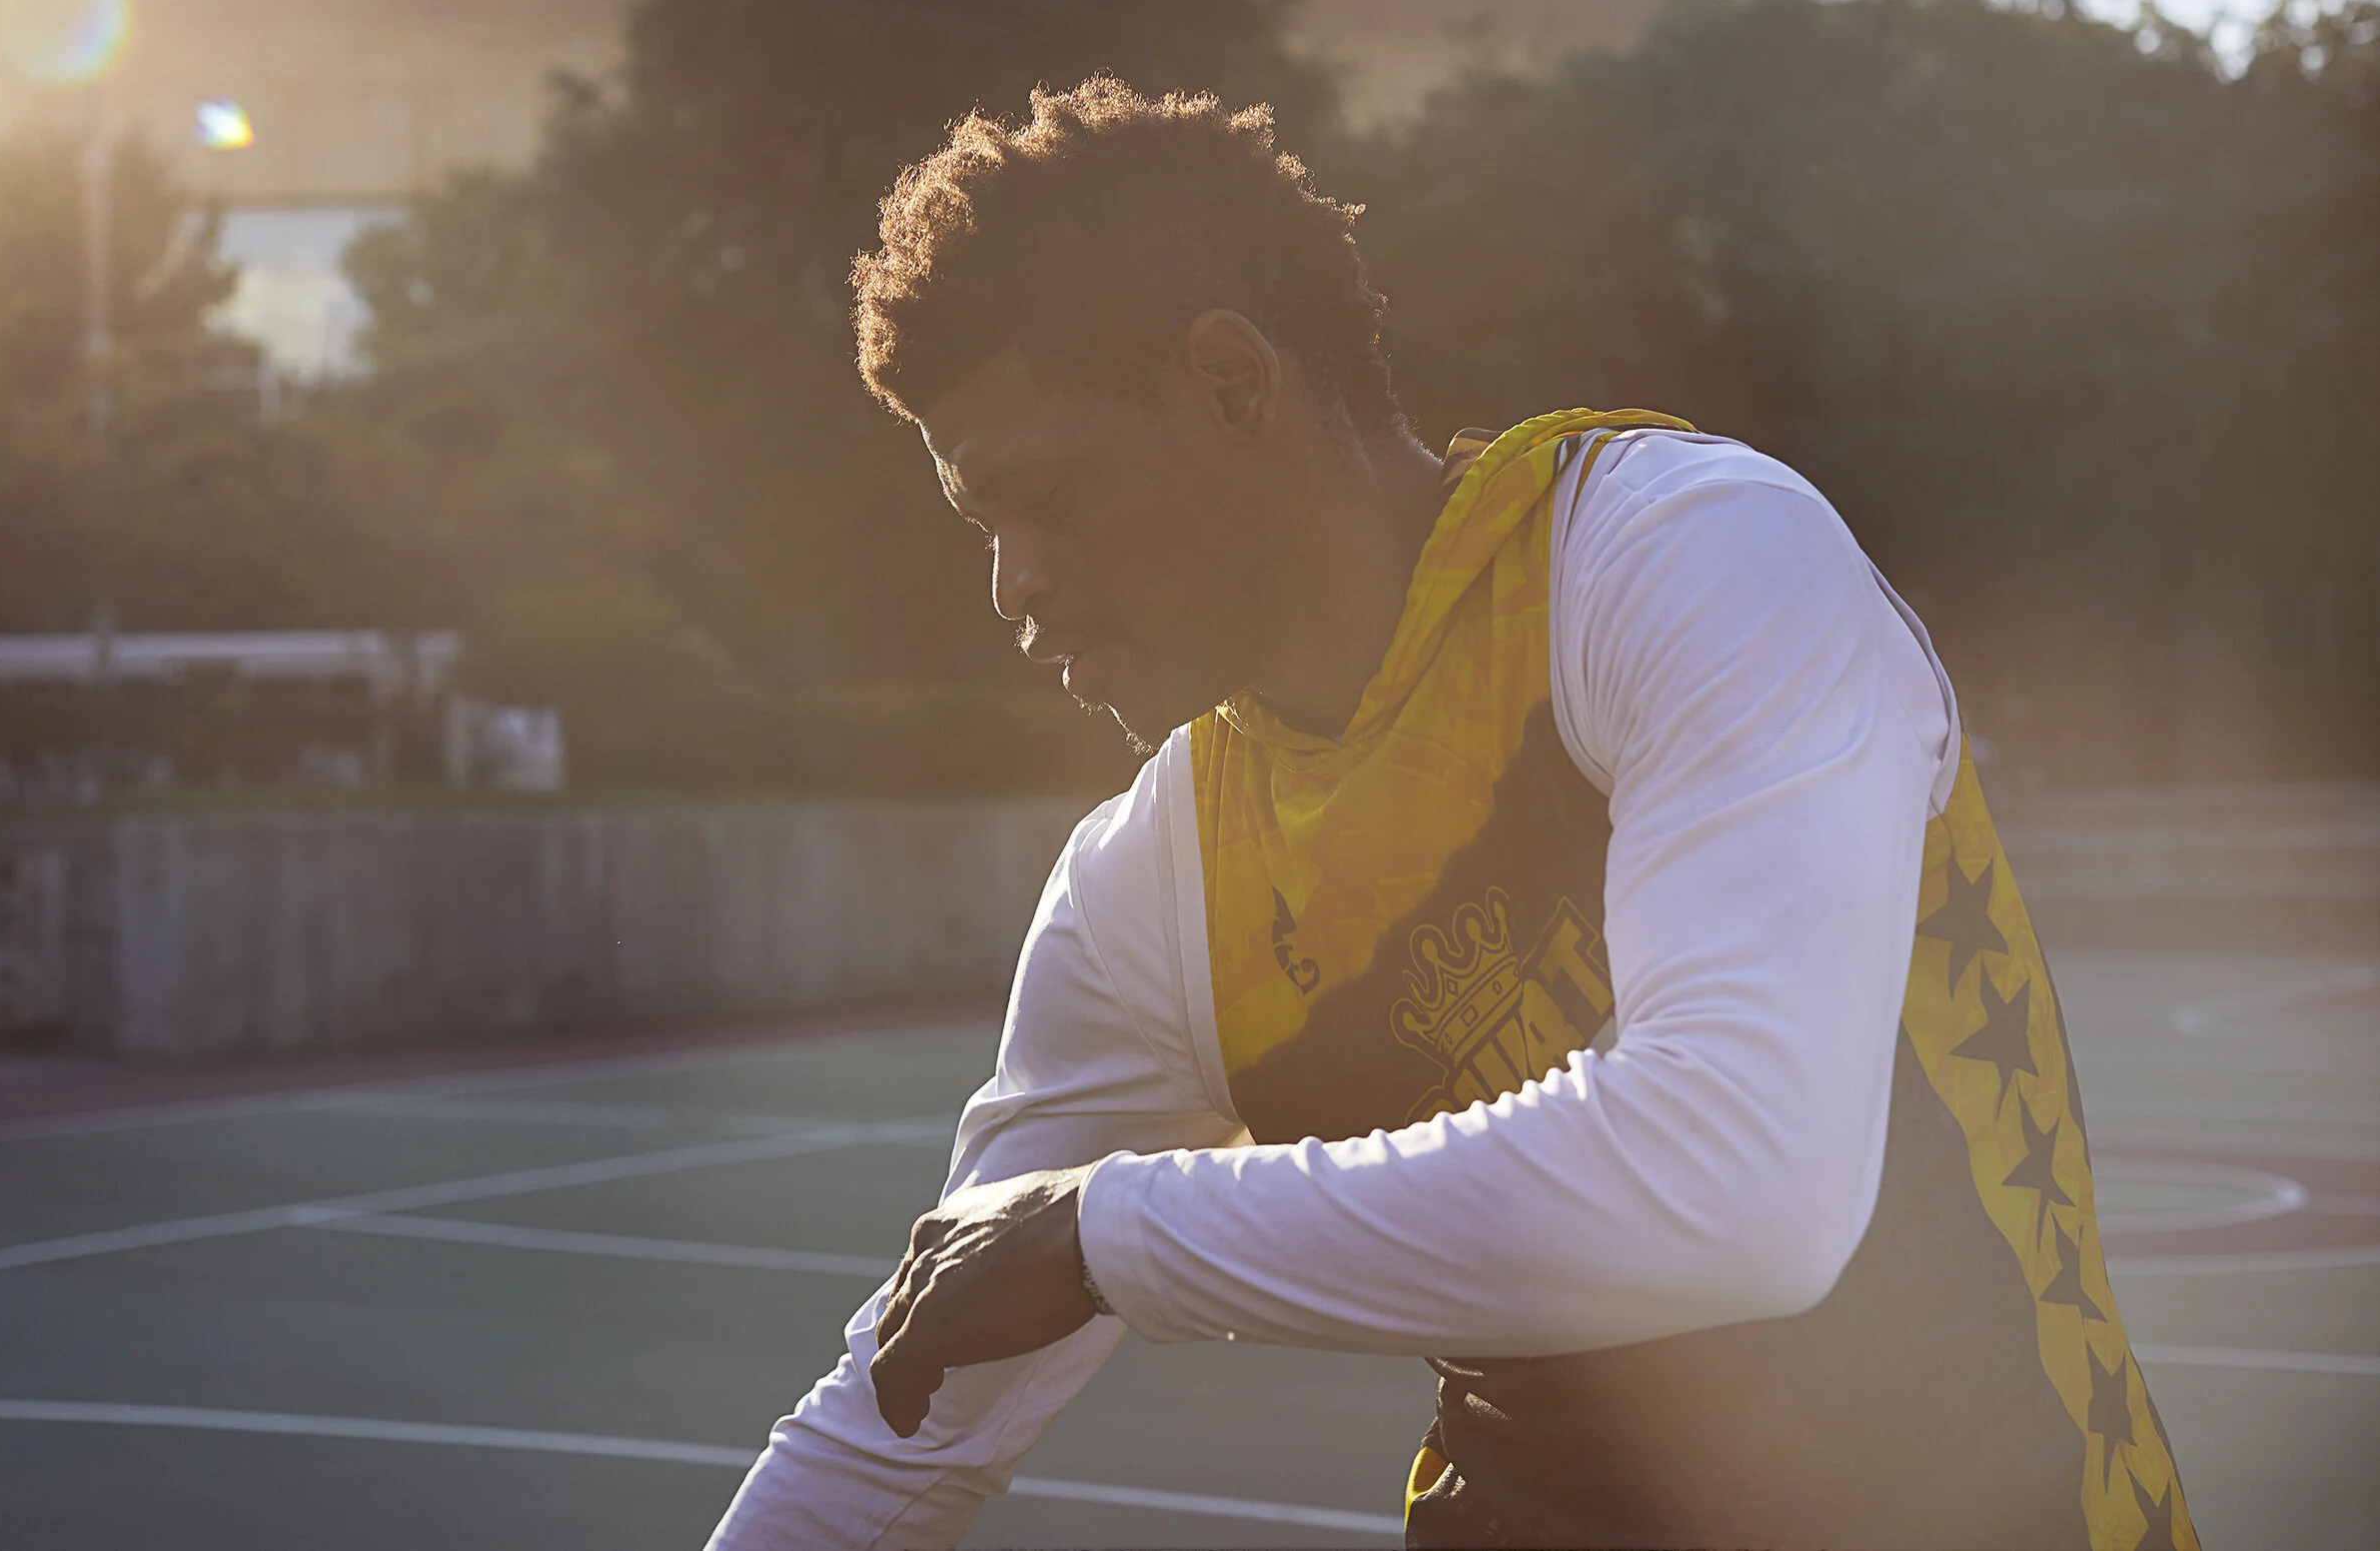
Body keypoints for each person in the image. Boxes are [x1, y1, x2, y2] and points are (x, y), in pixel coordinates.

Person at [706, 78, 2194, 1550]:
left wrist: (1112, 1234)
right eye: (983, 525)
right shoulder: (1150, 882)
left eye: (1045, 493)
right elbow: (904, 1411)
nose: (1012, 579)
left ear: (1231, 384)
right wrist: (1086, 1237)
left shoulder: (1683, 558)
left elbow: (1750, 1186)